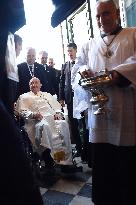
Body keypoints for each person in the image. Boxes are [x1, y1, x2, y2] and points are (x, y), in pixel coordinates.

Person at [71, 0, 136, 204]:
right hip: (98, 117)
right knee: (103, 165)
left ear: (117, 13)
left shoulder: (132, 35)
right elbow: (76, 70)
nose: (101, 20)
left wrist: (119, 74)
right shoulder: (88, 45)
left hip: (126, 111)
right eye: (98, 16)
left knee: (126, 168)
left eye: (105, 14)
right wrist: (83, 72)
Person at [16, 77, 73, 166]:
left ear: (40, 85)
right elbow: (22, 111)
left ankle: (65, 161)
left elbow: (57, 108)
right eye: (32, 83)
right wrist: (33, 115)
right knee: (44, 126)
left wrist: (58, 113)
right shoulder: (24, 97)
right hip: (36, 121)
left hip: (52, 120)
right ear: (29, 86)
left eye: (36, 83)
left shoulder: (47, 95)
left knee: (63, 124)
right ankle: (49, 160)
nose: (34, 85)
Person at [59, 42, 83, 157]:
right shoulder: (65, 65)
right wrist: (61, 98)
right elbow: (62, 83)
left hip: (81, 98)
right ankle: (79, 149)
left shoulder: (81, 63)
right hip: (69, 99)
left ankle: (87, 151)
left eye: (71, 51)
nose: (69, 53)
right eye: (67, 51)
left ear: (76, 50)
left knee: (82, 123)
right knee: (73, 125)